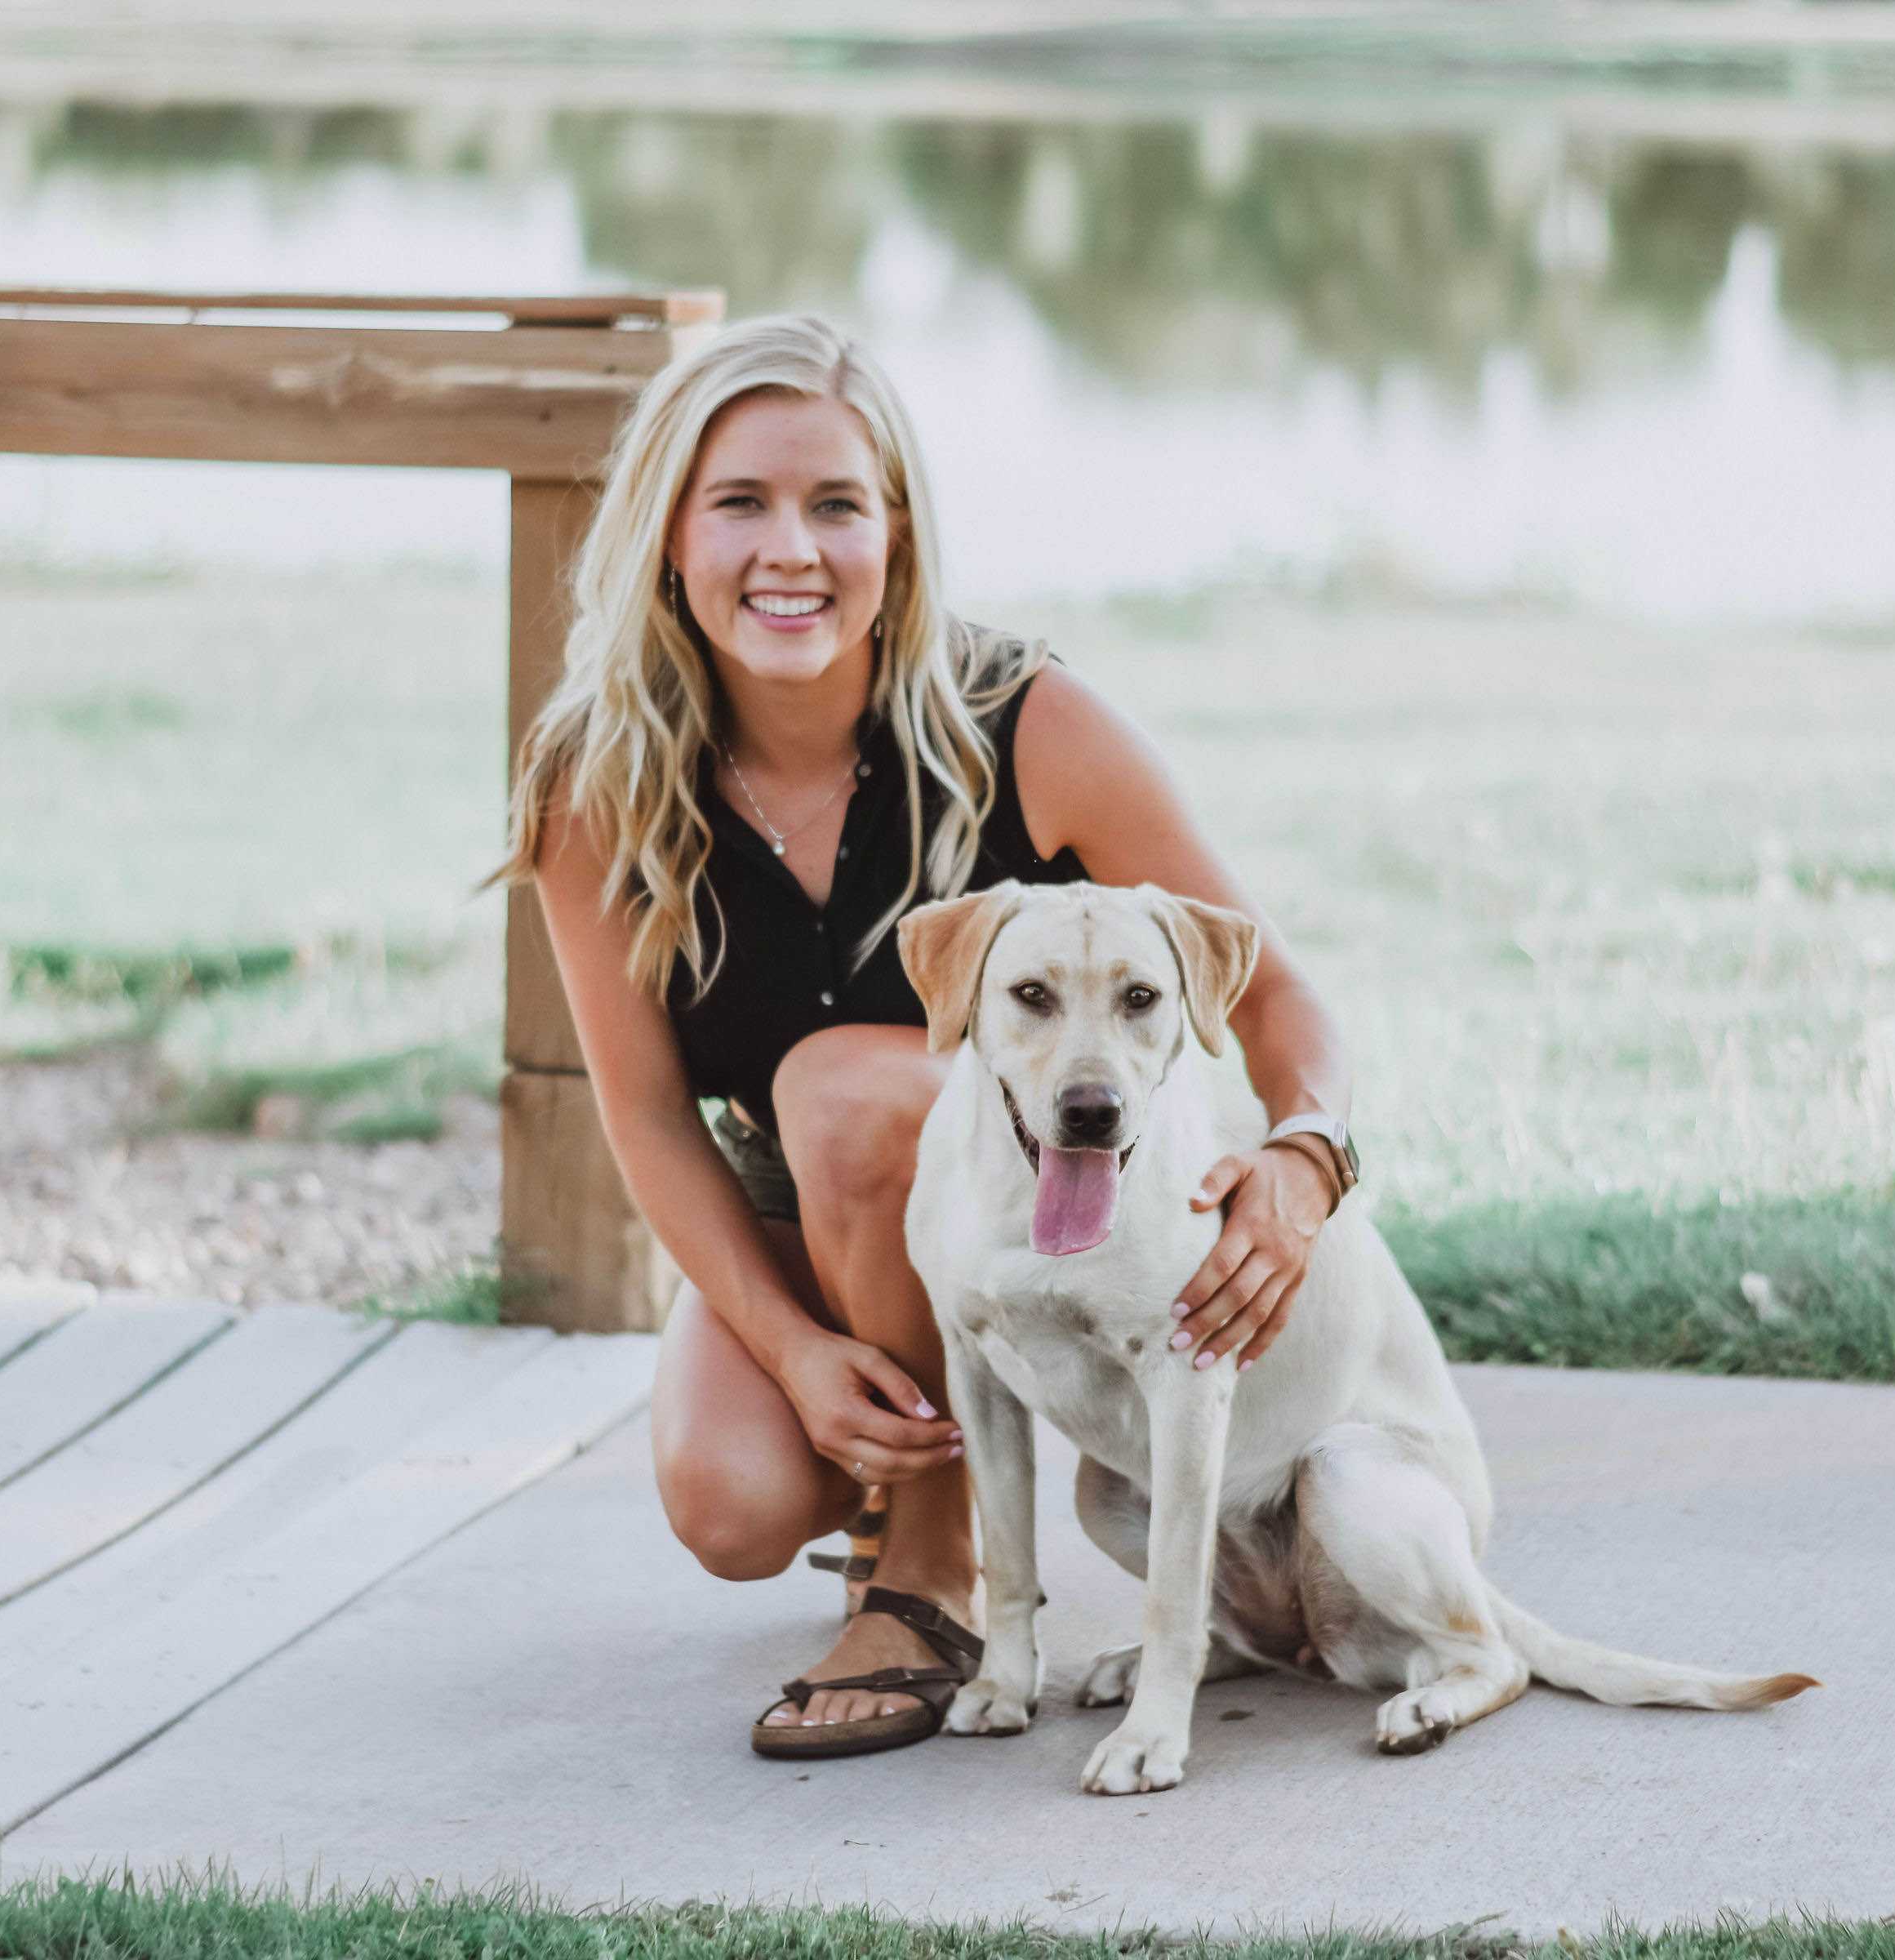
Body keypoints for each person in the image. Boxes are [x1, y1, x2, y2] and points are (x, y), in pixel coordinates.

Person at [487, 313, 1357, 1759]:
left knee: (839, 1087)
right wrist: (789, 1346)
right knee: (732, 1502)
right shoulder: (598, 783)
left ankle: (936, 1563)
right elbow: (643, 1118)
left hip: (1037, 1195)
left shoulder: (1026, 721)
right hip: (802, 1208)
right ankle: (894, 1474)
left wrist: (1309, 1155)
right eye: (741, 504)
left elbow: (1272, 993)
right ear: (667, 535)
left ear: (896, 532)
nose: (792, 550)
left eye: (838, 504)